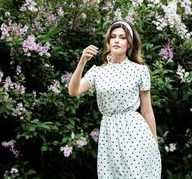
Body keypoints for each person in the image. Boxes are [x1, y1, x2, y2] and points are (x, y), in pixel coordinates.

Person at [68, 20, 162, 178]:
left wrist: (154, 143)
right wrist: (82, 62)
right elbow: (73, 91)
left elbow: (147, 110)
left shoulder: (139, 71)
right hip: (109, 133)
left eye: (122, 37)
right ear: (108, 41)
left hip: (135, 133)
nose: (117, 40)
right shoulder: (98, 72)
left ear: (129, 43)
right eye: (113, 37)